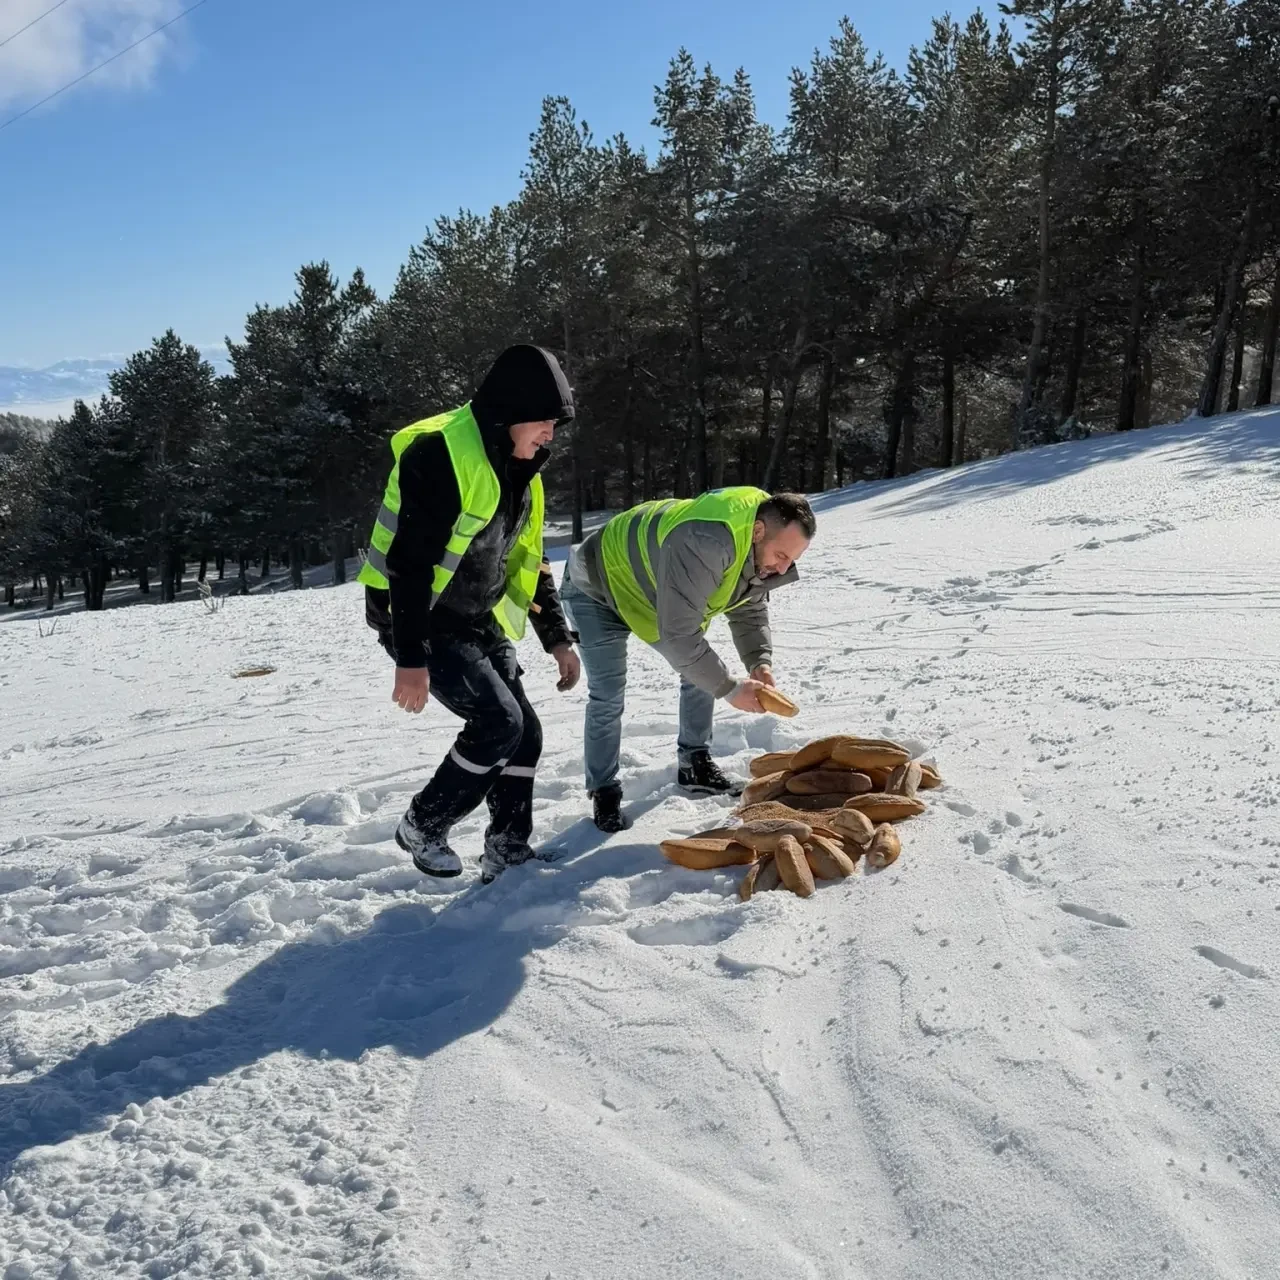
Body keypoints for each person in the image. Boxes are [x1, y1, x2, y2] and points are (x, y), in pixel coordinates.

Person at [360, 345, 581, 882]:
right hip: (417, 613)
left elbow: (530, 560)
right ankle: (422, 824)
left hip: (477, 613)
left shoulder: (523, 470)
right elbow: (408, 565)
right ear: (510, 411)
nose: (551, 434)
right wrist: (410, 658)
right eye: (546, 421)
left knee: (524, 732)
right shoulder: (440, 456)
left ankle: (506, 848)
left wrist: (556, 637)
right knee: (497, 722)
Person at [560, 487, 816, 832]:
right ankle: (603, 790)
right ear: (758, 532)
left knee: (700, 668)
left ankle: (693, 763)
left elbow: (749, 605)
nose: (783, 567)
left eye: (791, 560)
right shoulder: (707, 542)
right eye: (781, 555)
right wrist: (728, 688)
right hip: (596, 585)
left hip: (651, 591)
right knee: (608, 691)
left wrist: (759, 662)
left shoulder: (759, 537)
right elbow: (680, 638)